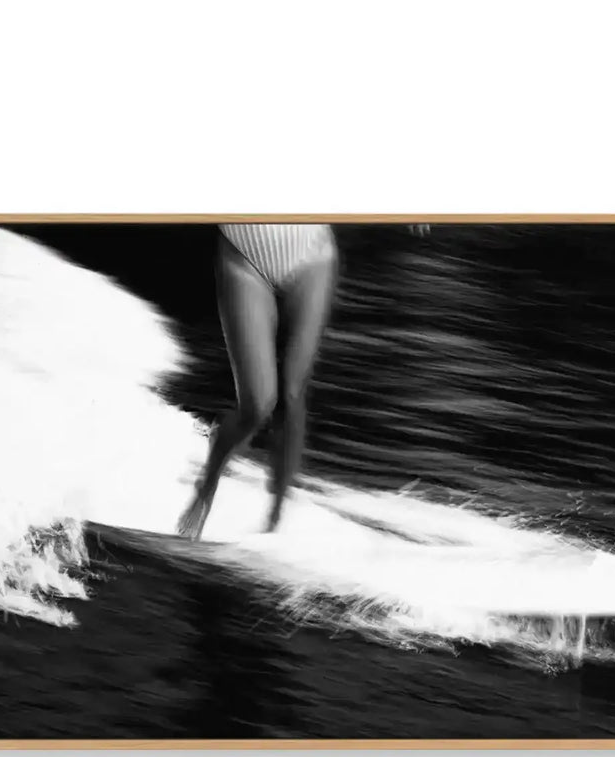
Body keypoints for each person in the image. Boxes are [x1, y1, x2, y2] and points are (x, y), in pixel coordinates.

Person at [177, 222, 428, 540]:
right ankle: (206, 486)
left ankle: (274, 522)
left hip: (312, 255)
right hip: (243, 257)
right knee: (258, 404)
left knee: (293, 392)